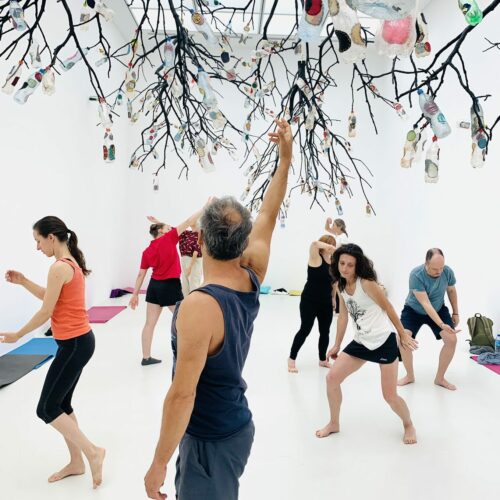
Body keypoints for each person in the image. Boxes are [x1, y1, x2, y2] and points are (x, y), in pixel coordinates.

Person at [143, 118, 293, 500]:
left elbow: (182, 395)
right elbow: (269, 213)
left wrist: (159, 462)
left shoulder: (199, 305)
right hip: (233, 426)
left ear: (201, 239)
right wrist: (285, 157)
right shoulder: (253, 270)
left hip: (211, 439)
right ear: (244, 240)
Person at [0, 216, 105, 488]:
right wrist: (24, 281)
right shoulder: (69, 263)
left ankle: (93, 452)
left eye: (38, 241)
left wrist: (18, 335)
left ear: (50, 237)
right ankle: (77, 462)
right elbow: (52, 297)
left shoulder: (59, 267)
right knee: (62, 406)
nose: (37, 247)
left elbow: (47, 310)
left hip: (75, 345)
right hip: (78, 343)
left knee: (46, 408)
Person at [315, 243, 418, 445]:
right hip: (361, 341)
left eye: (350, 265)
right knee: (331, 378)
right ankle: (334, 423)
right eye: (342, 263)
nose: (345, 268)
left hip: (383, 341)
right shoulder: (340, 285)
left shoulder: (367, 284)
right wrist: (337, 344)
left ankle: (408, 424)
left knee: (389, 396)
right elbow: (343, 316)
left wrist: (402, 335)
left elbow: (388, 307)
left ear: (358, 266)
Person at [129, 210, 202, 366]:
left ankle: (146, 357)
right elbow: (189, 221)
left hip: (154, 287)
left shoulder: (147, 251)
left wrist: (135, 294)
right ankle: (188, 355)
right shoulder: (169, 239)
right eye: (168, 228)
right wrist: (206, 206)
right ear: (161, 231)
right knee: (184, 320)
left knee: (149, 324)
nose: (171, 229)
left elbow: (141, 275)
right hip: (170, 286)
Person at [398, 248, 460, 391]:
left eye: (441, 268)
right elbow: (425, 304)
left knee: (451, 340)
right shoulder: (416, 275)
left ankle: (440, 378)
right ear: (426, 263)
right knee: (402, 339)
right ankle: (409, 375)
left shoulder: (447, 271)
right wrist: (442, 324)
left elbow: (451, 290)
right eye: (434, 269)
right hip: (413, 310)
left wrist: (456, 313)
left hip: (438, 309)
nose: (439, 272)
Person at [288, 235, 336, 373]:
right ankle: (291, 359)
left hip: (325, 302)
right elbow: (314, 244)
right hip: (309, 301)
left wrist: (333, 298)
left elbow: (334, 283)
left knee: (325, 332)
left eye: (333, 244)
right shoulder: (315, 258)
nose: (331, 247)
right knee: (305, 329)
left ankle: (322, 359)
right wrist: (329, 246)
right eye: (329, 244)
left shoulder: (334, 264)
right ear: (324, 245)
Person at [325, 217, 349, 314]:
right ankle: (334, 307)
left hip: (338, 263)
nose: (332, 226)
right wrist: (327, 221)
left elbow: (343, 251)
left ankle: (338, 308)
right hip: (334, 261)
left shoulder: (343, 237)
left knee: (337, 284)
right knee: (334, 283)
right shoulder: (337, 235)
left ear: (339, 227)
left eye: (334, 225)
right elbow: (327, 228)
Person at [179, 223, 203, 297]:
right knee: (185, 285)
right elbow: (172, 230)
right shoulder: (186, 233)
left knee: (194, 284)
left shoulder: (200, 234)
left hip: (194, 260)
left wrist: (190, 267)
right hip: (184, 259)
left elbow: (196, 251)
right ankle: (186, 301)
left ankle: (195, 302)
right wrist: (157, 222)